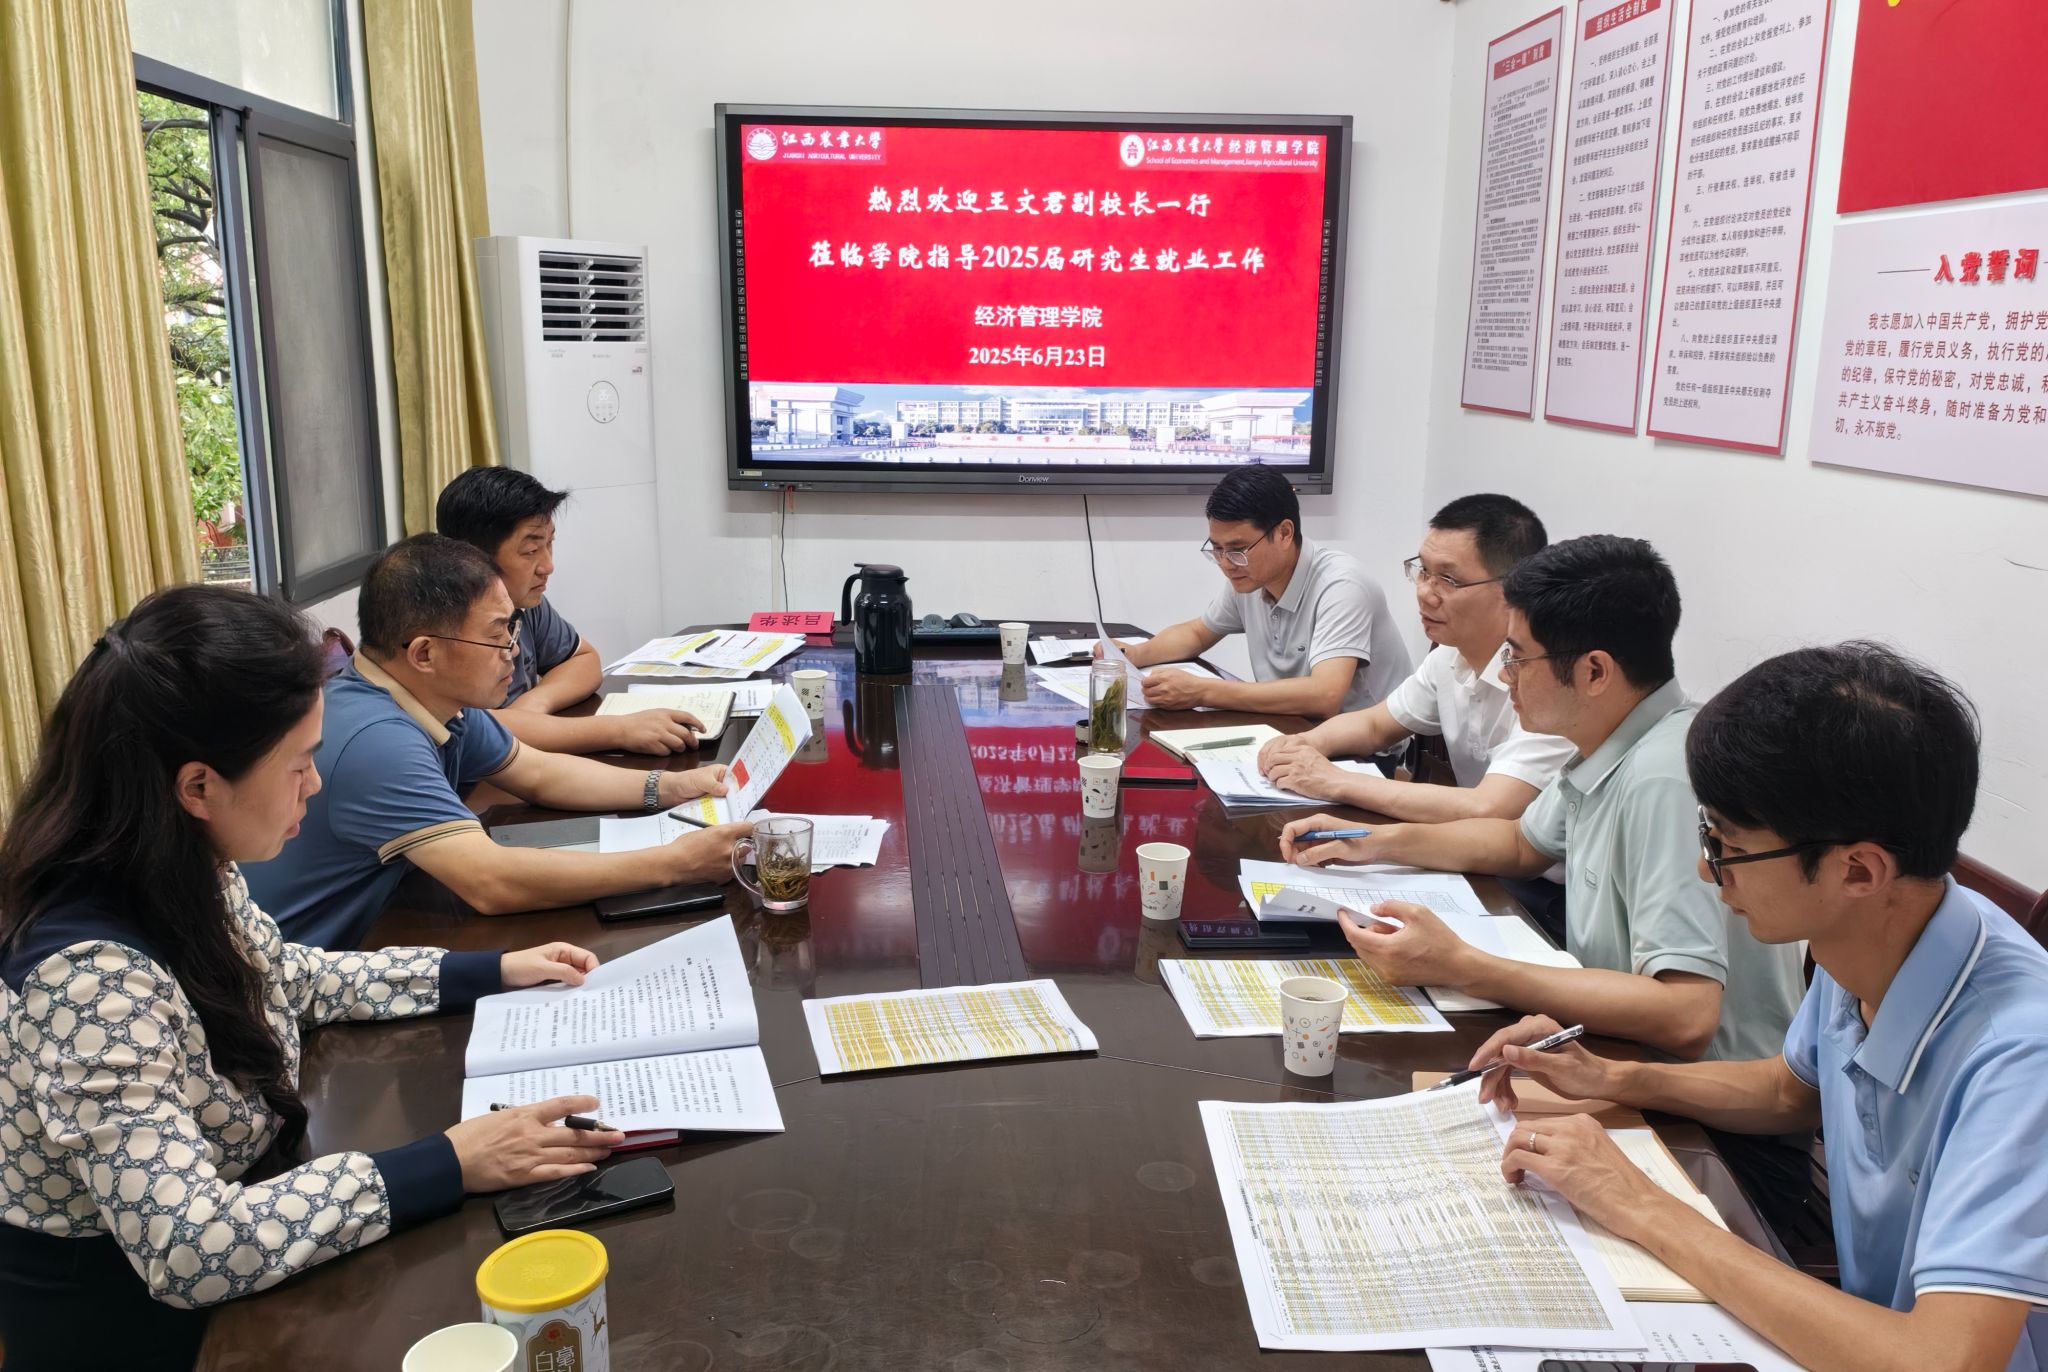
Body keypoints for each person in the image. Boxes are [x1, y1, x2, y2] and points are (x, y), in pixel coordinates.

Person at [0, 586, 628, 1372]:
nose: (316, 784)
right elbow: (189, 1247)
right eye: (299, 764)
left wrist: (491, 970)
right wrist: (450, 1161)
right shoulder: (87, 979)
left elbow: (284, 977)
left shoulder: (183, 862)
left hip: (262, 1215)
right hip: (145, 1331)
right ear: (198, 786)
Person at [1471, 644, 2045, 1372]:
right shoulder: (1872, 935)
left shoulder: (2021, 1055)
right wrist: (1614, 1078)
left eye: (1727, 844)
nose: (1706, 867)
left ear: (1858, 870)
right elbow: (1788, 1090)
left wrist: (1639, 1204)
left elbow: (1943, 1361)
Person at [1280, 535, 1804, 1061]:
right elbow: (1519, 843)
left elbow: (1686, 1014)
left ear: (1594, 672)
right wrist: (1374, 842)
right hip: (1616, 1050)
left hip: (1694, 1093)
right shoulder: (1615, 739)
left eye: (1518, 657)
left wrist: (1461, 965)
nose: (1504, 673)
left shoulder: (1664, 777)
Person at [242, 535, 748, 950]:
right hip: (309, 980)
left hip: (387, 923)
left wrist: (672, 786)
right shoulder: (376, 741)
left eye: (512, 627)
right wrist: (675, 864)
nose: (513, 650)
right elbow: (492, 882)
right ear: (424, 654)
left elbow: (539, 773)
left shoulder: (434, 699)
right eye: (496, 634)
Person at [436, 466, 705, 755]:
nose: (548, 566)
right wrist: (618, 730)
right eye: (530, 551)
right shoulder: (444, 625)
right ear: (474, 558)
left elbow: (583, 659)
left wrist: (534, 703)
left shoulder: (523, 601)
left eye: (549, 544)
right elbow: (477, 729)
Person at [1116, 463, 1411, 721]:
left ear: (1284, 533)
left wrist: (1202, 691)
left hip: (1364, 750)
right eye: (1217, 549)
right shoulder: (1250, 577)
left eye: (1238, 549)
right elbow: (1197, 633)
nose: (1226, 564)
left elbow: (1325, 695)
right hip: (1291, 728)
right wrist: (1132, 655)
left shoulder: (1342, 586)